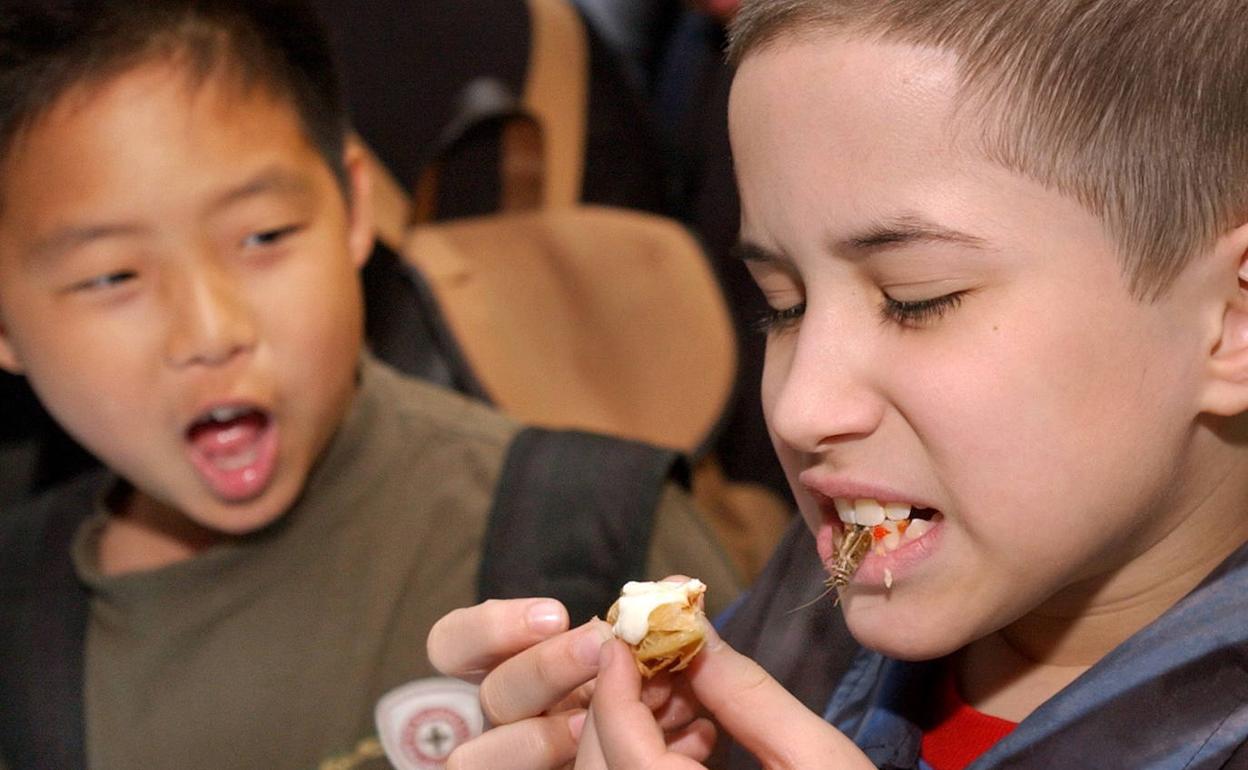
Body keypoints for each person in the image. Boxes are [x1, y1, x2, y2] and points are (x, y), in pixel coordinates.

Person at [426, 0, 1248, 767]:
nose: (798, 407)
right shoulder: (799, 618)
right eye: (783, 307)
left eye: (916, 299)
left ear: (1231, 323)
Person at [0, 2, 745, 768]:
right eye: (111, 277)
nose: (211, 331)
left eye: (263, 236)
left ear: (353, 205)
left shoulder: (602, 535)